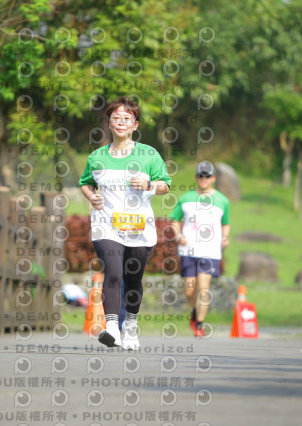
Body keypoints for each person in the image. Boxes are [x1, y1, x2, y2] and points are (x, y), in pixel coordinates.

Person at [79, 96, 171, 350]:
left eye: (126, 119)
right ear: (108, 123)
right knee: (113, 273)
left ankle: (129, 324)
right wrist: (92, 196)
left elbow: (165, 185)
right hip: (106, 225)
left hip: (139, 229)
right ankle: (111, 328)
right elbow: (85, 182)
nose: (120, 122)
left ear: (135, 125)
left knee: (132, 279)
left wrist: (150, 184)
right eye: (115, 118)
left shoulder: (148, 154)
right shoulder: (96, 157)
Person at [169, 161, 230, 337]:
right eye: (201, 176)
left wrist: (225, 238)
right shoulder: (186, 198)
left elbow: (225, 224)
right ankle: (195, 312)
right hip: (189, 250)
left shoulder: (222, 201)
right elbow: (174, 221)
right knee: (190, 289)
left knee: (203, 287)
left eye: (207, 176)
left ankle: (199, 325)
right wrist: (178, 235)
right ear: (196, 177)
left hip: (210, 251)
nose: (204, 179)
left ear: (213, 178)